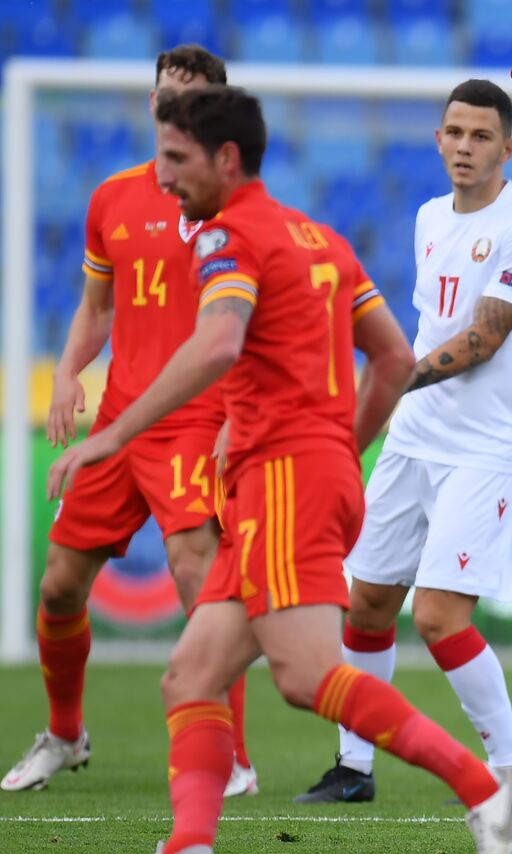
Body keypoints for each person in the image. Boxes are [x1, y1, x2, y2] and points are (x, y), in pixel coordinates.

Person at [50, 85, 512, 854]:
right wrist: (339, 446)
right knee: (191, 675)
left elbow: (216, 344)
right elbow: (388, 359)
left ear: (225, 159)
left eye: (176, 159)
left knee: (307, 676)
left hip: (282, 477)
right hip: (301, 470)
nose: (163, 178)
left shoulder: (227, 238)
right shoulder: (321, 238)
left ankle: (490, 792)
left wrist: (113, 431)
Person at [294, 79, 512, 806]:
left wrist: (388, 382)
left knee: (439, 615)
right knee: (368, 602)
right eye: (454, 133)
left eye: (480, 136)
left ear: (508, 147)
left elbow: (480, 337)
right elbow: (424, 326)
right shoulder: (427, 218)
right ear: (437, 138)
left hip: (483, 449)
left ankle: (511, 771)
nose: (464, 147)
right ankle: (354, 766)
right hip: (414, 439)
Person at [2, 45, 258, 799]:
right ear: (152, 103)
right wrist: (66, 373)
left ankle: (233, 755)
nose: (174, 106)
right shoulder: (112, 196)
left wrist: (237, 414)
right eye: (166, 94)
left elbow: (248, 323)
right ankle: (65, 733)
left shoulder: (233, 205)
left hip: (195, 419)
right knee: (57, 586)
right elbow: (97, 304)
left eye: (193, 97)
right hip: (118, 419)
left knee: (195, 571)